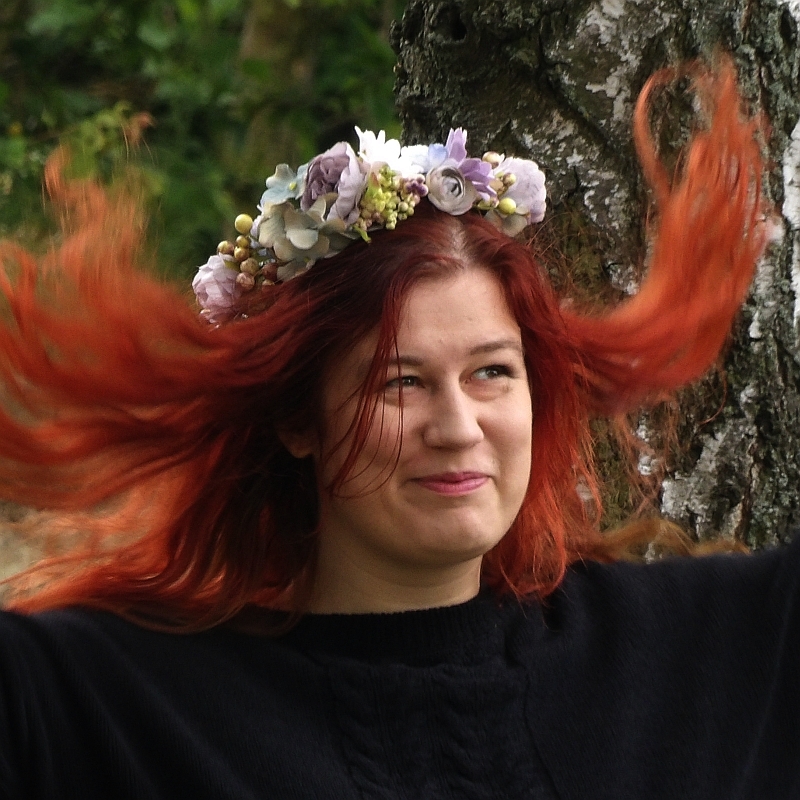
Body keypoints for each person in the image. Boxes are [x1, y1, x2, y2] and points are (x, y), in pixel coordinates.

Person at [0, 58, 797, 799]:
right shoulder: (106, 697)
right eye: (400, 381)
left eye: (492, 372)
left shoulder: (698, 647)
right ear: (298, 419)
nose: (457, 427)